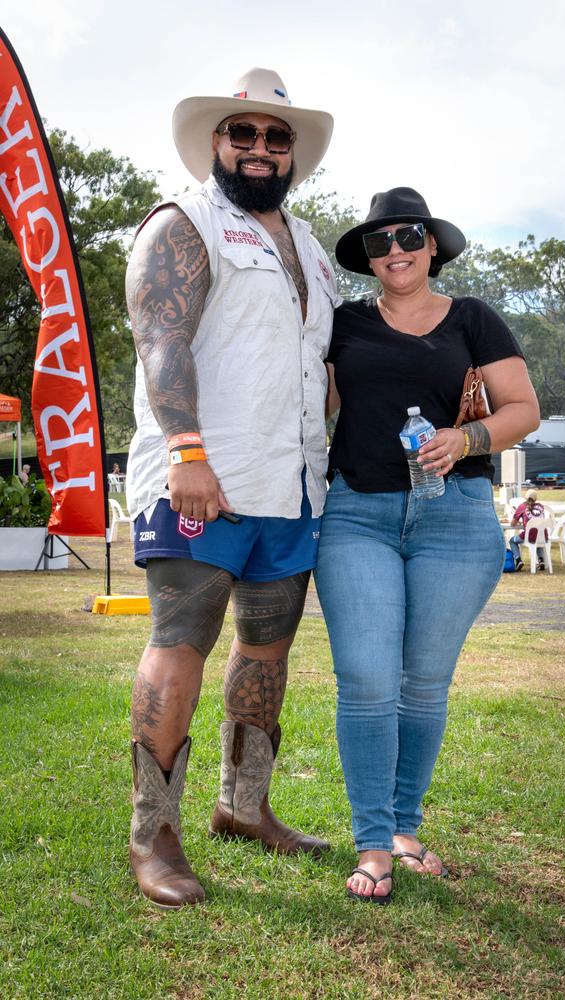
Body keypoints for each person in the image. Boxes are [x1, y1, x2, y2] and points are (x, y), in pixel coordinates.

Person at [124, 68, 336, 908]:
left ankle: (242, 808)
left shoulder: (310, 247)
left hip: (290, 483)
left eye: (275, 136)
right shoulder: (184, 223)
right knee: (182, 640)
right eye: (241, 133)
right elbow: (161, 339)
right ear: (216, 142)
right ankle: (155, 836)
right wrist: (186, 450)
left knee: (266, 648)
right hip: (202, 477)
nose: (258, 147)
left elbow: (315, 362)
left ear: (292, 153)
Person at [314, 187, 540, 904]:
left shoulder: (473, 319)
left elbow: (523, 410)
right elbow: (308, 404)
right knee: (368, 681)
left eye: (407, 236)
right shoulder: (344, 323)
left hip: (456, 518)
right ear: (368, 258)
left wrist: (467, 437)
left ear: (433, 244)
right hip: (358, 515)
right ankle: (374, 843)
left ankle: (406, 829)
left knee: (422, 685)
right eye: (378, 243)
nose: (395, 251)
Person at [509, 489, 547, 570]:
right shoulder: (541, 506)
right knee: (537, 536)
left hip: (529, 536)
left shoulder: (522, 506)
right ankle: (541, 560)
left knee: (512, 541)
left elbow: (512, 524)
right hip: (543, 535)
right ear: (536, 499)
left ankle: (518, 560)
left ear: (525, 497)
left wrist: (520, 522)